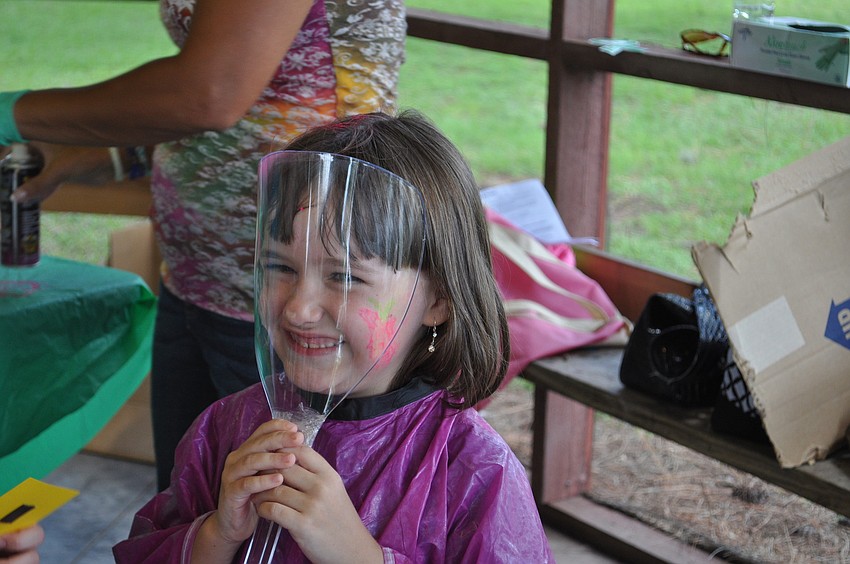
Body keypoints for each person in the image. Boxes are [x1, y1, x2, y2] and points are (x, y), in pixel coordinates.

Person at [111, 110, 555, 562]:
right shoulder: (224, 431)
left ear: (439, 299)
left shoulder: (473, 472)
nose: (299, 308)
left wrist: (357, 555)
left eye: (344, 277)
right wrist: (216, 535)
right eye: (280, 267)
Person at [0, 0, 407, 491]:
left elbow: (211, 93)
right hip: (195, 282)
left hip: (294, 305)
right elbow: (255, 94)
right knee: (183, 509)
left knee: (267, 520)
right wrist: (113, 155)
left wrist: (10, 112)